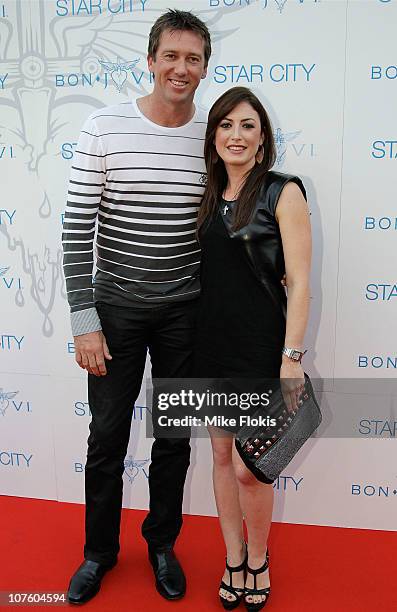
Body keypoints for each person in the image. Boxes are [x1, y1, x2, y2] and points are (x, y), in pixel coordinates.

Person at [61, 9, 211, 605]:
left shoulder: (212, 135)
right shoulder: (105, 126)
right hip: (115, 310)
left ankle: (161, 543)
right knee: (106, 436)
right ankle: (98, 553)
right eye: (170, 56)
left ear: (204, 67)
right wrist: (84, 321)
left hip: (186, 314)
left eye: (192, 58)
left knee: (173, 436)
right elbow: (77, 229)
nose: (181, 68)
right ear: (150, 61)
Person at [195, 87, 312, 610]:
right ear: (213, 136)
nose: (235, 135)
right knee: (221, 455)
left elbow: (301, 283)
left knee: (250, 466)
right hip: (209, 348)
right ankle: (234, 557)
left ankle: (259, 558)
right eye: (225, 125)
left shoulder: (282, 192)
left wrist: (291, 359)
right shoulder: (204, 194)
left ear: (262, 141)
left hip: (264, 351)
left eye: (247, 126)